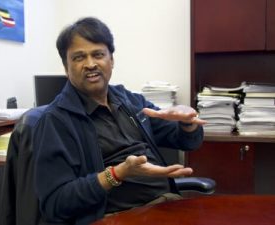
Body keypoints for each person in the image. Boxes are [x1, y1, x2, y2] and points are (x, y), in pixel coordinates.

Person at [33, 17, 206, 225]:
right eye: (79, 57)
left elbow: (187, 141)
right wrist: (117, 173)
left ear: (111, 60)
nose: (90, 64)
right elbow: (55, 204)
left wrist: (187, 123)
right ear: (66, 67)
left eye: (98, 54)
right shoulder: (55, 121)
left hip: (166, 206)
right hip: (115, 217)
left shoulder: (129, 100)